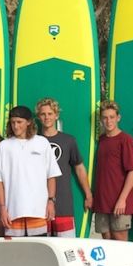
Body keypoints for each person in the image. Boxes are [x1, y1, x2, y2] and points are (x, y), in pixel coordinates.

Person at [0, 105, 61, 237]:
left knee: (38, 252)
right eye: (13, 122)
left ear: (28, 122)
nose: (16, 126)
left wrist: (51, 201)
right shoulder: (3, 146)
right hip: (12, 213)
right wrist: (2, 208)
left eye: (19, 122)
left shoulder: (42, 142)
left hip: (39, 212)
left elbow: (51, 176)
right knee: (14, 255)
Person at [36, 98, 93, 237]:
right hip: (38, 205)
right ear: (38, 117)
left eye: (50, 113)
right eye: (43, 114)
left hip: (64, 204)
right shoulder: (33, 141)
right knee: (42, 248)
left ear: (56, 115)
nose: (47, 117)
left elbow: (79, 168)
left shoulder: (68, 140)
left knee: (67, 247)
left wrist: (88, 194)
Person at [92, 100, 133, 241]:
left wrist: (122, 199)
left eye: (112, 117)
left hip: (119, 201)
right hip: (102, 202)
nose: (108, 121)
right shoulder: (100, 140)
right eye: (105, 117)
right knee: (106, 241)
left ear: (118, 118)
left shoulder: (126, 140)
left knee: (119, 241)